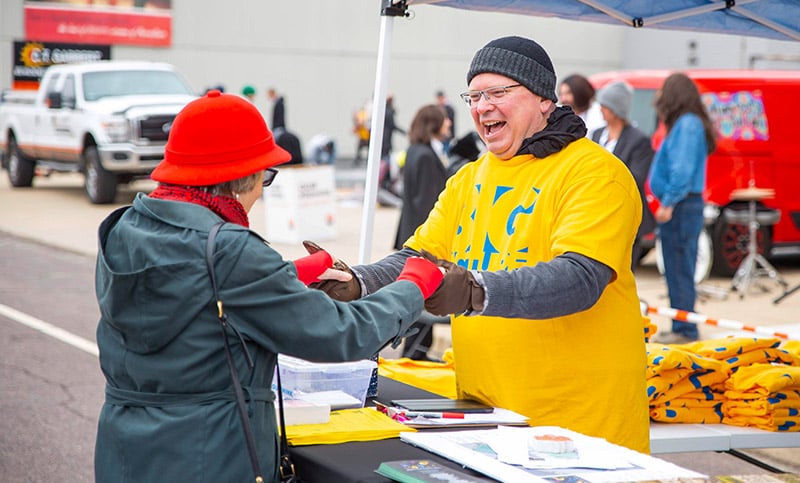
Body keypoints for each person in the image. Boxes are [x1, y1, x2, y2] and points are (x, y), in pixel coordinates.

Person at [309, 36, 650, 454]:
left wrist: (475, 291)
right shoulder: (470, 177)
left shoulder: (595, 174)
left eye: (499, 92)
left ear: (544, 100)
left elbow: (579, 279)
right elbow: (420, 259)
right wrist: (358, 282)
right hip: (485, 418)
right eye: (474, 95)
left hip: (578, 425)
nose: (482, 106)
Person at [93, 90, 443, 482]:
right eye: (266, 176)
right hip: (208, 455)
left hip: (125, 450)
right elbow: (341, 333)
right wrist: (413, 285)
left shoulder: (126, 227)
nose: (261, 190)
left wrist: (285, 275)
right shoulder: (231, 251)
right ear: (238, 179)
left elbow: (188, 293)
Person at [648, 73, 716, 344]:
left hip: (681, 205)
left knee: (679, 267)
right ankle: (680, 322)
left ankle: (685, 328)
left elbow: (682, 169)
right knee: (675, 266)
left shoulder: (688, 125)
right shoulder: (685, 124)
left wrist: (668, 202)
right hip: (681, 204)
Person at [393, 104, 452, 360]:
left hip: (410, 230)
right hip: (423, 238)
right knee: (424, 295)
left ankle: (416, 350)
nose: (449, 123)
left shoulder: (415, 151)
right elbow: (429, 202)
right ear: (433, 124)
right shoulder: (427, 156)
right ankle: (416, 352)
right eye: (444, 120)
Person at [591, 81, 655, 270]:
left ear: (615, 109)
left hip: (625, 214)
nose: (600, 109)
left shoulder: (638, 140)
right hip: (598, 213)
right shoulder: (596, 135)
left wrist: (600, 179)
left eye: (604, 105)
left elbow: (636, 177)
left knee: (623, 270)